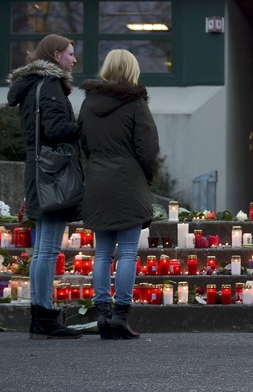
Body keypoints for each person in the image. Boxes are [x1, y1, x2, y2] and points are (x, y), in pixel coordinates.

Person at [78, 49, 159, 340]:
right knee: (126, 252)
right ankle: (120, 315)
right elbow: (147, 147)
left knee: (101, 253)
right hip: (128, 182)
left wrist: (97, 166)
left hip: (98, 181)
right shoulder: (136, 104)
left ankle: (102, 314)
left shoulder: (88, 103)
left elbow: (84, 142)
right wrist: (146, 176)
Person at [6, 34, 83, 339]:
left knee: (43, 249)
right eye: (70, 53)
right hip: (51, 174)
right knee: (48, 249)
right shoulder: (49, 85)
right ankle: (44, 315)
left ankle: (40, 315)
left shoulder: (32, 85)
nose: (74, 60)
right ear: (55, 54)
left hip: (38, 171)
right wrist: (83, 127)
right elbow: (55, 129)